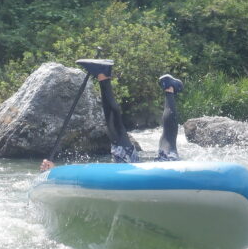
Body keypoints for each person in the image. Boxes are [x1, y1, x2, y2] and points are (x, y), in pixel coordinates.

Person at [40, 59, 183, 171]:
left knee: (118, 135)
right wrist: (52, 171)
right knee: (167, 145)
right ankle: (169, 89)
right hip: (134, 174)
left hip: (158, 176)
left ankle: (103, 75)